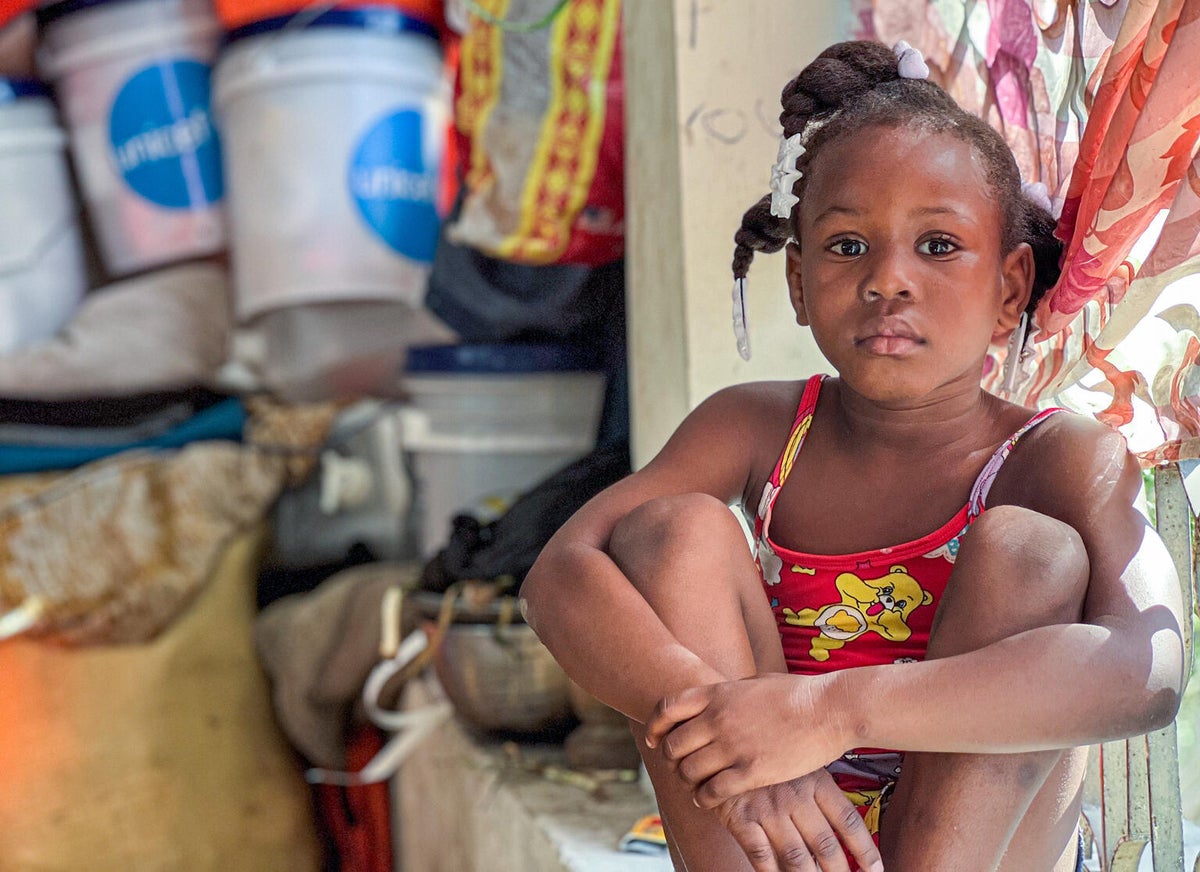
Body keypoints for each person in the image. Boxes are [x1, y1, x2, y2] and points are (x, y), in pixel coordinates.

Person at [518, 39, 1187, 872]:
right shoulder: (755, 427)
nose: (887, 281)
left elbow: (1149, 670)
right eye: (845, 247)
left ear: (1010, 288)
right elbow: (557, 577)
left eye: (938, 246)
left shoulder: (1056, 457)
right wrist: (723, 726)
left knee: (1033, 551)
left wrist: (833, 711)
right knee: (674, 534)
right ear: (798, 283)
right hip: (772, 837)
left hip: (970, 853)